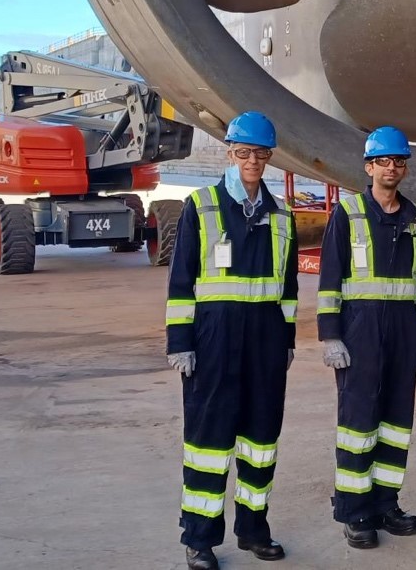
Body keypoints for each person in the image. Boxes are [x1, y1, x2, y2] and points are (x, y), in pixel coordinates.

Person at [165, 111, 298, 570]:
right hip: (212, 343)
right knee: (209, 442)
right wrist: (180, 342)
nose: (252, 161)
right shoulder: (201, 206)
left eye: (261, 154)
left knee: (261, 440)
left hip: (264, 344)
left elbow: (289, 288)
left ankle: (253, 529)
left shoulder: (281, 217)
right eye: (244, 152)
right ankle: (199, 539)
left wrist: (287, 340)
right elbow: (181, 280)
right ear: (229, 153)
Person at [317, 126, 416, 550]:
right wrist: (331, 336)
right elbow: (330, 278)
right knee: (358, 423)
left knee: (396, 423)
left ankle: (386, 503)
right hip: (359, 333)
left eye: (398, 161)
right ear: (369, 167)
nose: (392, 168)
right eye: (383, 161)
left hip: (404, 332)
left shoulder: (414, 217)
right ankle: (355, 511)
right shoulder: (348, 213)